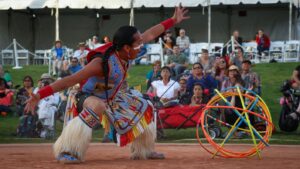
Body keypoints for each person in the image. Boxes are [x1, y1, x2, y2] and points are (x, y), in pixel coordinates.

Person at [25, 5, 189, 163]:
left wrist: (173, 20)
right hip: (87, 97)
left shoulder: (128, 50)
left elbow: (152, 33)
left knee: (146, 104)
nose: (142, 45)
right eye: (138, 43)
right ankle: (68, 150)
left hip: (112, 96)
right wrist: (39, 95)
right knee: (98, 106)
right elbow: (69, 80)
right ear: (126, 48)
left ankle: (143, 150)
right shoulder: (100, 63)